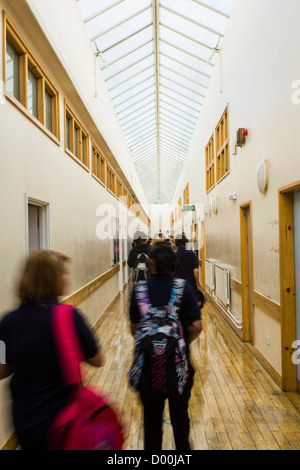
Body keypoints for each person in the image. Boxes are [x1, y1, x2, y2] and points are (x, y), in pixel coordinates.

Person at [0, 250, 103, 450]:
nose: (67, 278)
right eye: (63, 273)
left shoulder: (8, 321)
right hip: (64, 422)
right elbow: (98, 360)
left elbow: (2, 369)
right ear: (52, 279)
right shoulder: (69, 316)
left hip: (25, 423)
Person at [129, 242, 202, 450]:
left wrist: (151, 343)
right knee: (180, 417)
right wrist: (181, 342)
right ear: (173, 263)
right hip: (178, 368)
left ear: (150, 263)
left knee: (151, 421)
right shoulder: (182, 288)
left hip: (148, 368)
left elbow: (134, 328)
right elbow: (197, 325)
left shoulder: (140, 291)